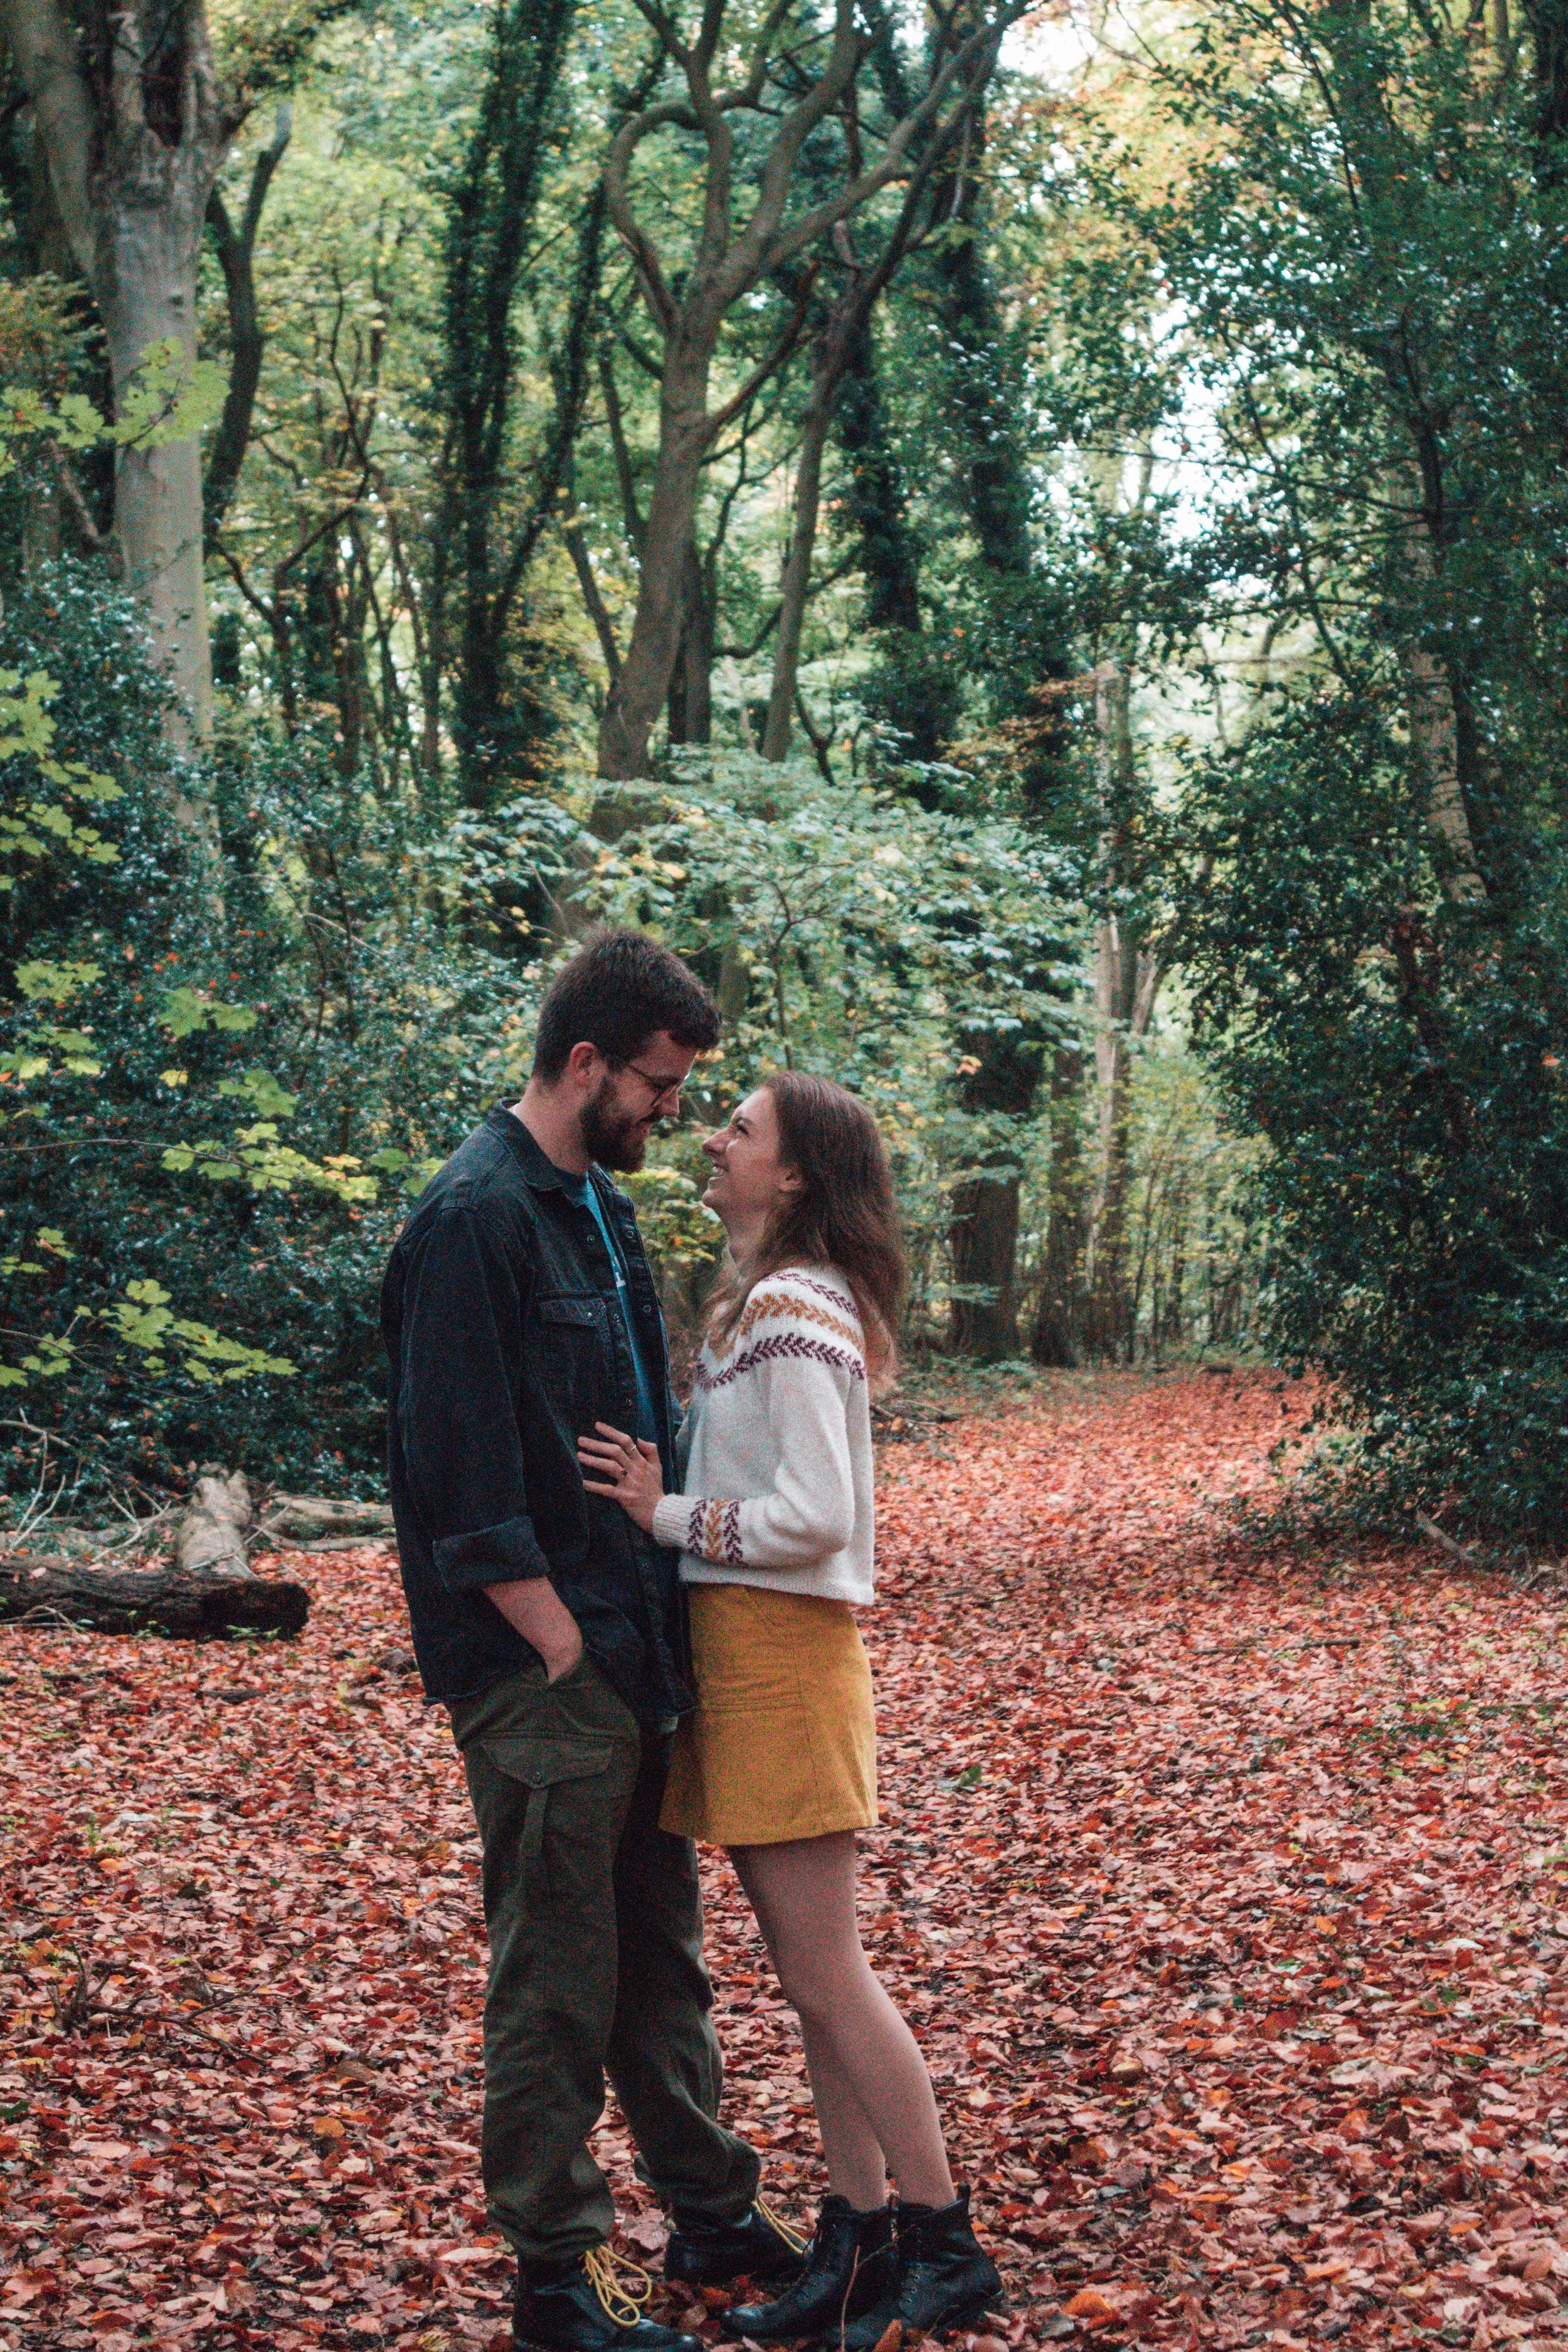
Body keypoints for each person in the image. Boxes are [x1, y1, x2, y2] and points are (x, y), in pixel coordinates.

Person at [381, 930, 807, 2352]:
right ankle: (558, 2277)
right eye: (659, 1083)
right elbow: (455, 1476)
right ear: (583, 1063)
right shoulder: (473, 1219)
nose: (673, 1111)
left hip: (632, 1656)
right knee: (557, 1975)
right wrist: (550, 1636)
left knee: (657, 1958)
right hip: (541, 1671)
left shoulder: (595, 1214)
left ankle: (708, 2208)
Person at [578, 1072, 1005, 2351]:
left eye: (741, 1129)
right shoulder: (756, 1310)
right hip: (746, 1652)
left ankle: (943, 2240)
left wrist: (663, 1515)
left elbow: (822, 1517)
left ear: (798, 1174)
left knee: (828, 1974)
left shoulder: (792, 1306)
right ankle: (859, 2239)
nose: (710, 1139)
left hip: (783, 1652)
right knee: (813, 1982)